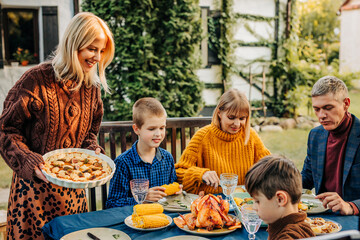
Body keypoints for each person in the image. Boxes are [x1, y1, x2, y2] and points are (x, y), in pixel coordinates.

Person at [0, 12, 115, 239]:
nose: (97, 57)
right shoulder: (35, 80)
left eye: (101, 51)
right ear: (74, 44)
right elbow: (6, 129)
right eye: (92, 48)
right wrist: (29, 162)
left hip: (73, 197)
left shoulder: (92, 89)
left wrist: (92, 150)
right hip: (31, 196)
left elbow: (89, 134)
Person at [175, 89, 270, 194]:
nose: (237, 124)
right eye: (231, 117)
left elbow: (270, 167)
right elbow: (179, 173)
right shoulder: (202, 137)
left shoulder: (251, 136)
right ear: (219, 113)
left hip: (244, 203)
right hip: (211, 202)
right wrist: (201, 174)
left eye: (242, 118)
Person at [302, 76, 360, 216]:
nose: (321, 115)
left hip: (354, 219)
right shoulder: (315, 135)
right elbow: (306, 178)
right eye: (316, 109)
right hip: (321, 218)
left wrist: (351, 206)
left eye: (328, 108)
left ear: (346, 103)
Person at [106, 97, 179, 208]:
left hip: (162, 217)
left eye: (162, 128)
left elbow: (171, 190)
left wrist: (175, 191)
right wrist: (142, 198)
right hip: (135, 220)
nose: (158, 134)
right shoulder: (123, 163)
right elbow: (112, 204)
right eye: (151, 129)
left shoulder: (167, 158)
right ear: (136, 129)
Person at [245, 155, 315, 240]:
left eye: (257, 201)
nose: (254, 208)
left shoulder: (288, 236)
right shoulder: (290, 226)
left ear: (280, 199)